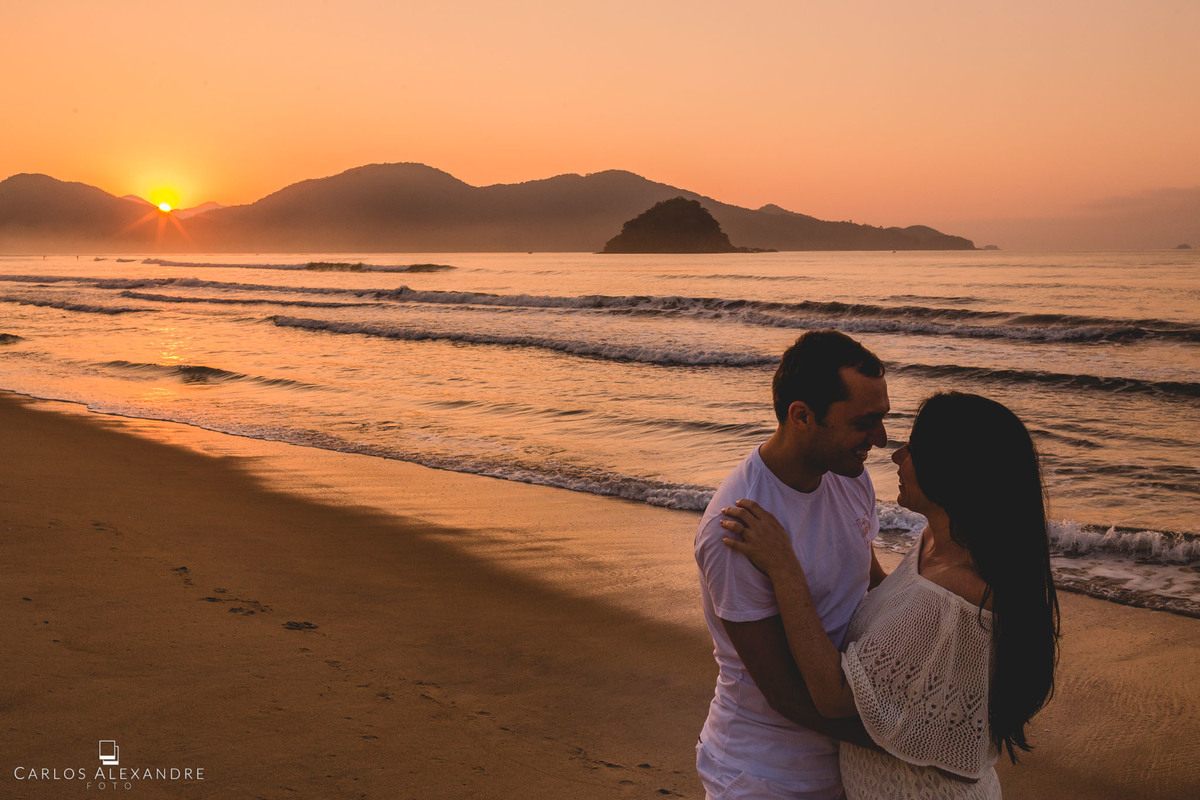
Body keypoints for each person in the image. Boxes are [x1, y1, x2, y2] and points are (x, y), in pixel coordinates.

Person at [721, 392, 1061, 799]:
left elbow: (833, 696)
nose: (897, 455)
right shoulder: (935, 545)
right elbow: (894, 606)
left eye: (914, 448)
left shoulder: (953, 599)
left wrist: (784, 568)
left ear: (952, 469)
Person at [694, 330, 890, 799]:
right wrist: (900, 744)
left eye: (883, 419)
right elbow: (782, 692)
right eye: (865, 422)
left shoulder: (849, 478)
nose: (880, 439)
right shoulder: (739, 528)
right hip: (764, 775)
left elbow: (877, 591)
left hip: (846, 765)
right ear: (801, 416)